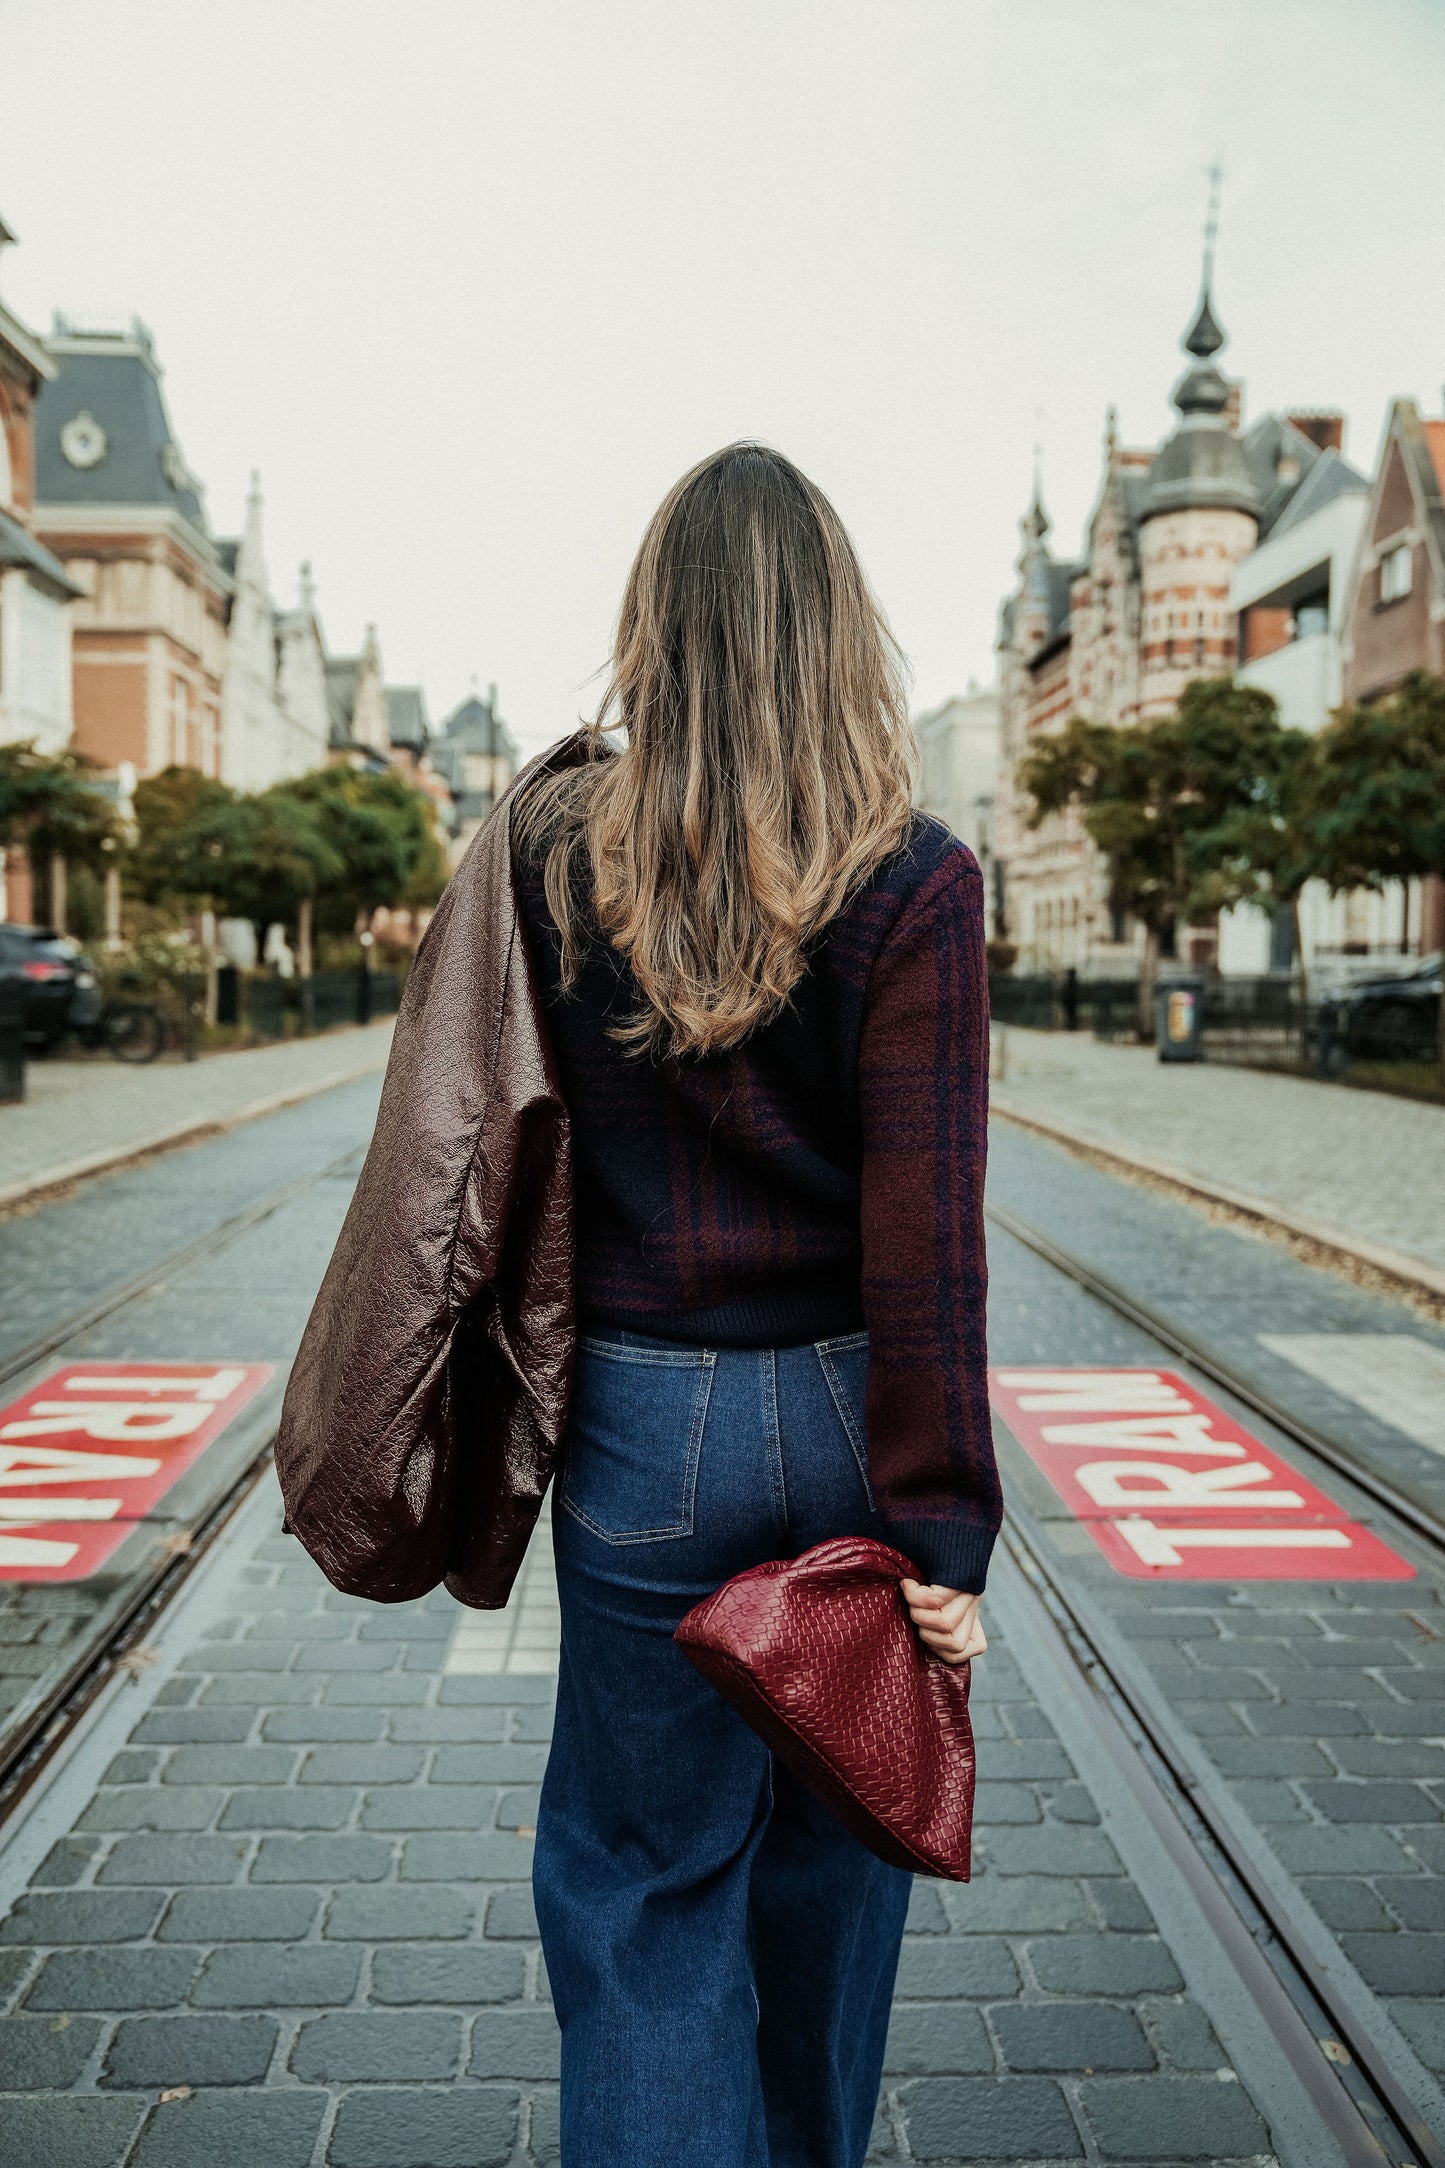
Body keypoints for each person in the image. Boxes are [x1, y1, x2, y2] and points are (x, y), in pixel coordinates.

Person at [514, 443, 999, 2167]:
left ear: (656, 630)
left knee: (645, 1896)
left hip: (645, 1422)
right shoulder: (917, 878)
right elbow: (930, 1234)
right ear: (837, 632)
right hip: (855, 1421)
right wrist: (942, 1535)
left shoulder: (559, 851)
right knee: (831, 1866)